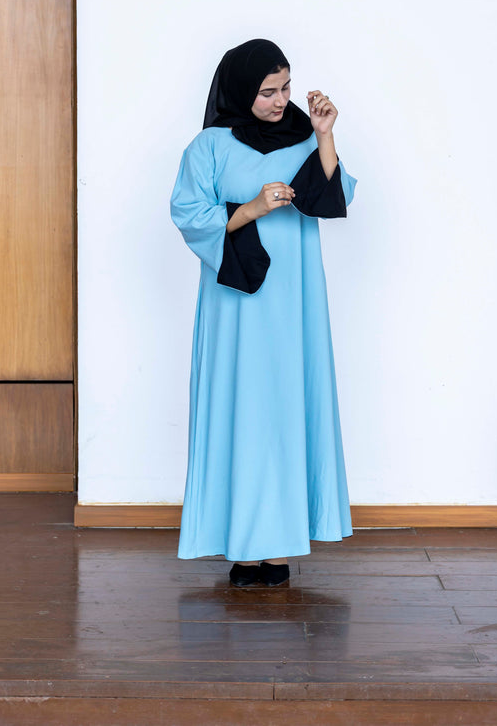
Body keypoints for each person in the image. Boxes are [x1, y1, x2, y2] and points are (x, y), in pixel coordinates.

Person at [170, 38, 356, 587]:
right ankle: (241, 545)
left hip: (294, 301)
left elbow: (334, 198)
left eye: (286, 88)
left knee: (286, 407)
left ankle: (278, 545)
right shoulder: (210, 146)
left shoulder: (303, 136)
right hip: (237, 306)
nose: (280, 101)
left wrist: (325, 134)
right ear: (239, 90)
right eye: (268, 91)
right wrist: (251, 208)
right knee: (242, 408)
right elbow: (188, 213)